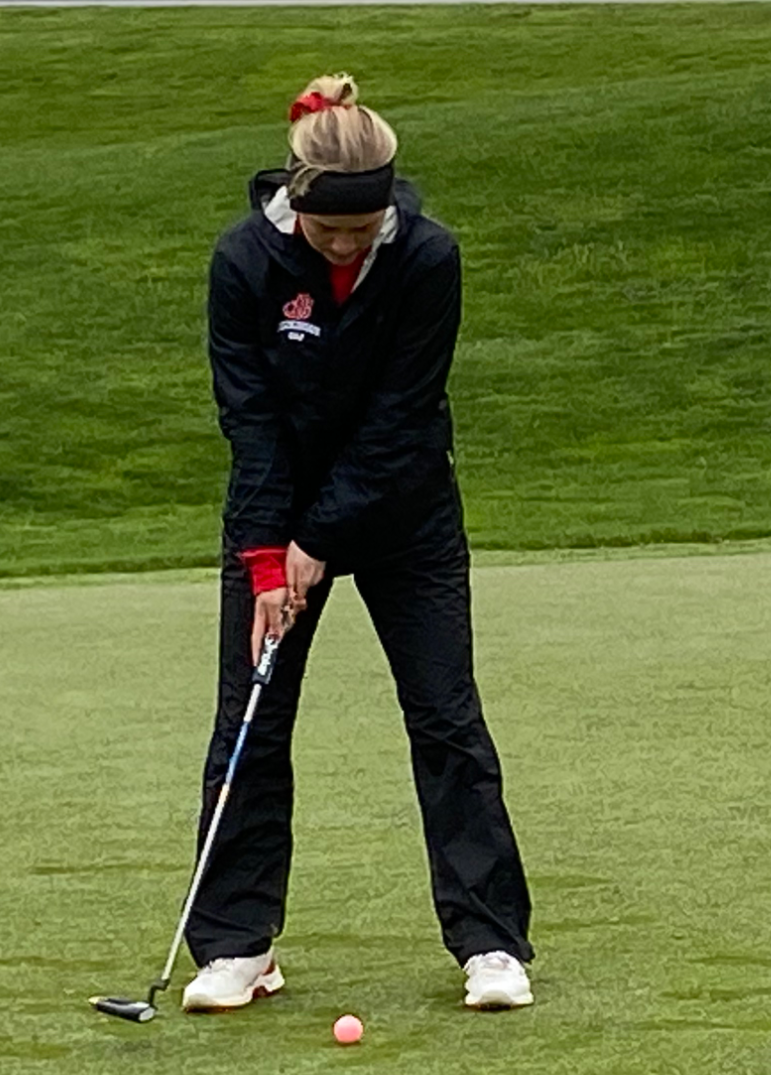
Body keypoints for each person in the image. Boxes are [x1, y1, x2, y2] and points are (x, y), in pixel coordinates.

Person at [181, 72, 535, 1013]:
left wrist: (319, 538)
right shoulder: (243, 262)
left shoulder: (426, 257)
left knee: (446, 718)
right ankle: (236, 945)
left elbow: (400, 418)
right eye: (329, 229)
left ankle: (491, 943)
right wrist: (272, 557)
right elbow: (251, 421)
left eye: (363, 227)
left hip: (407, 517)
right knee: (251, 722)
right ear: (296, 199)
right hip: (276, 515)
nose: (345, 243)